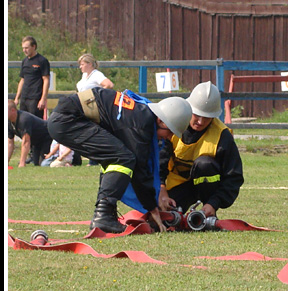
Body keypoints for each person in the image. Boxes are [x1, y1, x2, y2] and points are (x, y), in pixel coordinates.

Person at [47, 87, 192, 233]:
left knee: (116, 157)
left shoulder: (141, 113)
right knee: (123, 158)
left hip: (67, 118)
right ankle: (103, 216)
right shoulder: (141, 123)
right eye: (170, 132)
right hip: (68, 121)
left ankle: (106, 213)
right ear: (160, 120)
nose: (168, 137)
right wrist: (152, 208)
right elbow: (140, 169)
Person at [159, 81, 244, 219]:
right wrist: (161, 190)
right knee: (164, 217)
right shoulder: (173, 125)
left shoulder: (222, 136)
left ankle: (207, 215)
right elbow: (158, 162)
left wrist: (213, 203)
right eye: (197, 115)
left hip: (206, 188)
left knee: (205, 164)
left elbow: (233, 177)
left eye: (207, 117)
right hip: (176, 186)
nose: (200, 121)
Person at [8, 101, 53, 168]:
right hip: (36, 143)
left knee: (44, 164)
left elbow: (26, 141)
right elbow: (9, 143)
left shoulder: (24, 119)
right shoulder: (8, 122)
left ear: (13, 110)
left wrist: (22, 163)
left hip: (47, 138)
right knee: (36, 164)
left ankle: (62, 159)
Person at [14, 36, 50, 117]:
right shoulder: (25, 61)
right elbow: (22, 80)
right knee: (23, 122)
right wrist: (17, 98)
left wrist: (43, 99)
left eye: (26, 48)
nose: (24, 50)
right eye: (23, 48)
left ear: (34, 47)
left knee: (35, 123)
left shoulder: (42, 61)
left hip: (35, 98)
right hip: (24, 97)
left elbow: (46, 80)